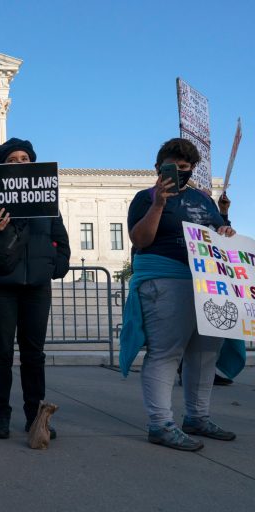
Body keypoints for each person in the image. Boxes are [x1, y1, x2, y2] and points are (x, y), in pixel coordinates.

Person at [121, 137, 238, 451]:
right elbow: (141, 240)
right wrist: (159, 203)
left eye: (185, 168)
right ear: (158, 168)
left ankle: (197, 416)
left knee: (204, 353)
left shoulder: (202, 200)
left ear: (192, 169)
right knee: (166, 352)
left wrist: (225, 227)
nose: (178, 173)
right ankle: (160, 423)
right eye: (172, 167)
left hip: (206, 285)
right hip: (165, 281)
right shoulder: (145, 198)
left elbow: (218, 235)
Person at [0, 138, 70, 439]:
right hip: (0, 287)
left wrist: (54, 267)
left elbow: (63, 243)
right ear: (1, 168)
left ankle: (34, 416)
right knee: (1, 353)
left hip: (36, 287)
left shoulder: (47, 205)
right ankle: (0, 415)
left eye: (25, 158)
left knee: (34, 354)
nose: (20, 163)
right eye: (12, 160)